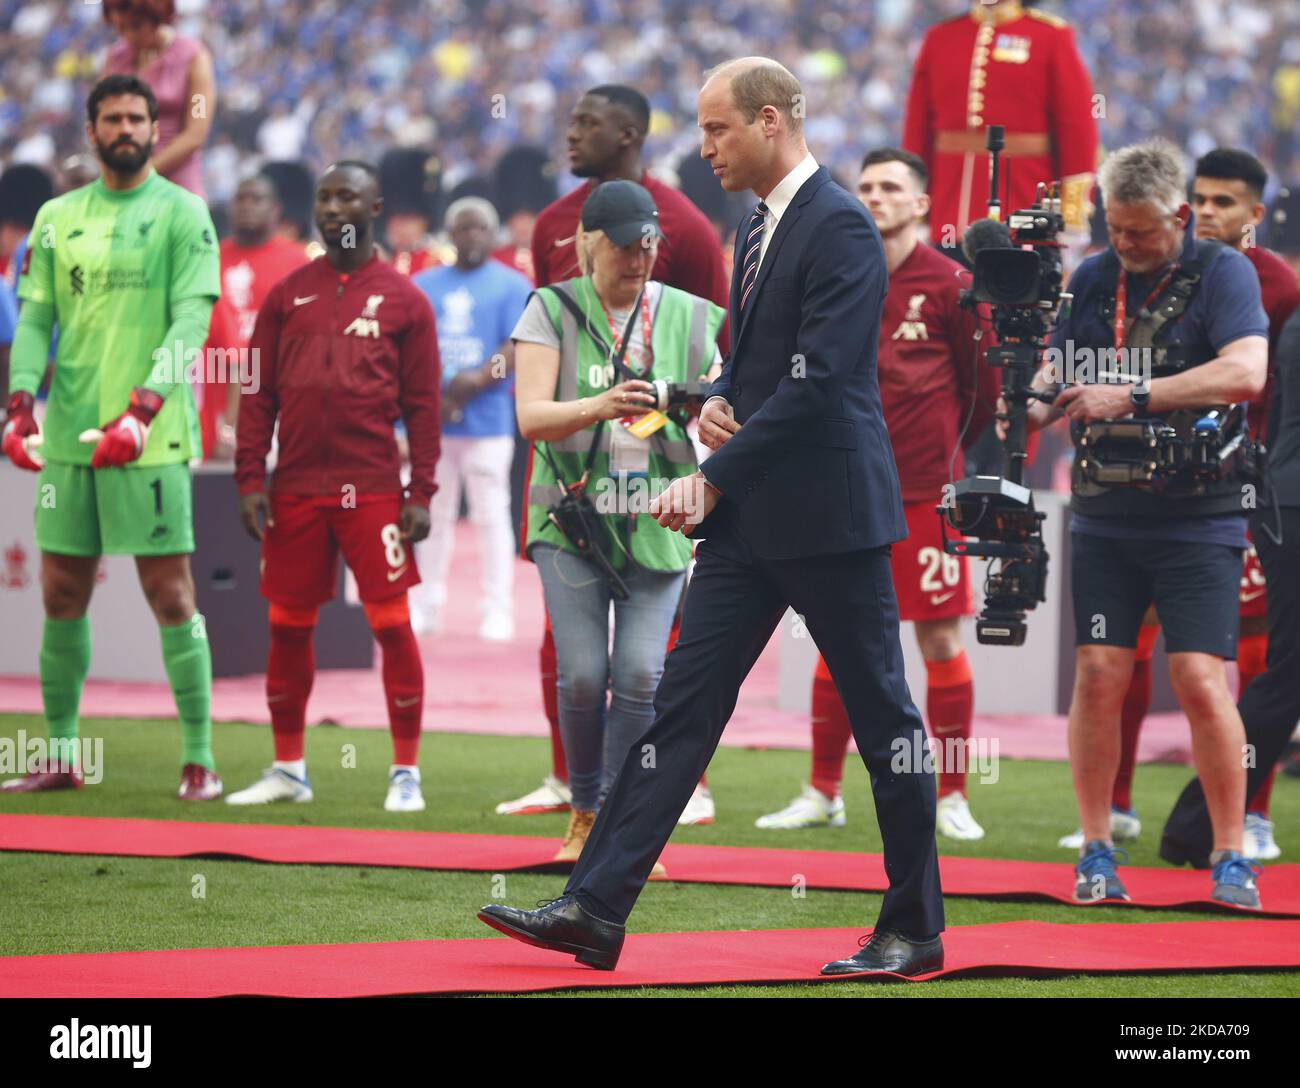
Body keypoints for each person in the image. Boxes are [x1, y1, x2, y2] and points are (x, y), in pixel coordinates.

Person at [478, 57, 946, 977]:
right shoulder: (760, 222)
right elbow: (755, 364)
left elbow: (822, 380)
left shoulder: (841, 225)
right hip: (754, 523)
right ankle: (596, 908)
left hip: (832, 521)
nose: (703, 150)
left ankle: (915, 929)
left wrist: (713, 474)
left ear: (770, 121)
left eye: (718, 130)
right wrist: (714, 403)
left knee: (884, 720)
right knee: (676, 715)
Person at [1022, 139, 1269, 908]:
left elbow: (1246, 370)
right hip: (1105, 511)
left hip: (1202, 513)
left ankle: (1231, 852)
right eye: (1116, 229)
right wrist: (1032, 395)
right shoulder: (1093, 275)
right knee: (1099, 673)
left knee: (1200, 677)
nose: (1126, 244)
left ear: (1182, 217)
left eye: (1141, 232)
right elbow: (1055, 370)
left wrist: (1130, 395)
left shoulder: (1224, 272)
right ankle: (1096, 846)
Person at [499, 82, 730, 825]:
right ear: (589, 242)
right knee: (581, 675)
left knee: (638, 673)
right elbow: (530, 415)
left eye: (649, 243)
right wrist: (601, 404)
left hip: (660, 516)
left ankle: (627, 822)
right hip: (568, 519)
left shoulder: (694, 314)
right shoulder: (551, 309)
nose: (641, 256)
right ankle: (585, 810)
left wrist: (705, 408)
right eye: (627, 244)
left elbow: (739, 388)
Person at [756, 147, 998, 840]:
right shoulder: (835, 275)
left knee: (941, 638)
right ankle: (822, 790)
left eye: (891, 186)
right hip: (847, 487)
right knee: (838, 640)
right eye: (864, 187)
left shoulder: (953, 284)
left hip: (927, 492)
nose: (875, 196)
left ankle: (953, 794)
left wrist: (953, 459)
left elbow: (982, 394)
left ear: (922, 204)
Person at [1, 75, 221, 799]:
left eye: (136, 117)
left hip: (148, 437)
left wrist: (145, 407)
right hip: (69, 436)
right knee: (61, 591)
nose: (124, 127)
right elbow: (35, 320)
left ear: (156, 130)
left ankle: (199, 758)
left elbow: (192, 320)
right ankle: (62, 755)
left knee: (171, 596)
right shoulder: (57, 217)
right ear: (90, 132)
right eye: (111, 118)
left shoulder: (184, 213)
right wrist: (20, 401)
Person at [229, 161, 441, 813]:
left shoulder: (405, 299)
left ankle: (405, 770)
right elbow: (257, 392)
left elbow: (424, 404)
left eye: (348, 195)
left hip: (373, 487)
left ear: (374, 203)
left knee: (392, 625)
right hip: (294, 487)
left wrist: (421, 492)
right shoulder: (288, 293)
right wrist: (249, 475)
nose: (334, 207)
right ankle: (289, 767)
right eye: (325, 198)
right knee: (288, 626)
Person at [1160, 309, 1300, 867]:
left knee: (1286, 675)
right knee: (1286, 674)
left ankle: (1193, 829)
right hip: (1288, 504)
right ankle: (1195, 827)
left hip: (1283, 502)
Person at [411, 197, 532, 640]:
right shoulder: (424, 284)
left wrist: (477, 380)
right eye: (463, 229)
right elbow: (412, 345)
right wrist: (441, 387)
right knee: (433, 514)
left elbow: (517, 345)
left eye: (480, 228)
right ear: (450, 234)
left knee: (491, 515)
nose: (472, 236)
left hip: (489, 419)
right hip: (434, 417)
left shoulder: (511, 284)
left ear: (493, 232)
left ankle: (497, 608)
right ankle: (425, 604)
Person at [903, 0, 1098, 246]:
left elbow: (1076, 130)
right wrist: (915, 207)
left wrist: (1071, 214)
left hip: (1025, 201)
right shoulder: (940, 37)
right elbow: (917, 132)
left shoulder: (1051, 36)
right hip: (949, 208)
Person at [200, 174, 310, 460]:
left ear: (275, 209)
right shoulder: (210, 258)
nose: (247, 206)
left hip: (276, 401)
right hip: (216, 399)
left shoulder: (298, 262)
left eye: (256, 199)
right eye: (240, 199)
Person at [101, 0, 215, 201]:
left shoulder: (193, 57)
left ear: (157, 18)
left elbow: (196, 132)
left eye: (135, 26)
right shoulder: (116, 57)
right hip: (122, 179)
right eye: (120, 28)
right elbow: (99, 113)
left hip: (178, 183)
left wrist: (144, 170)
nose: (128, 36)